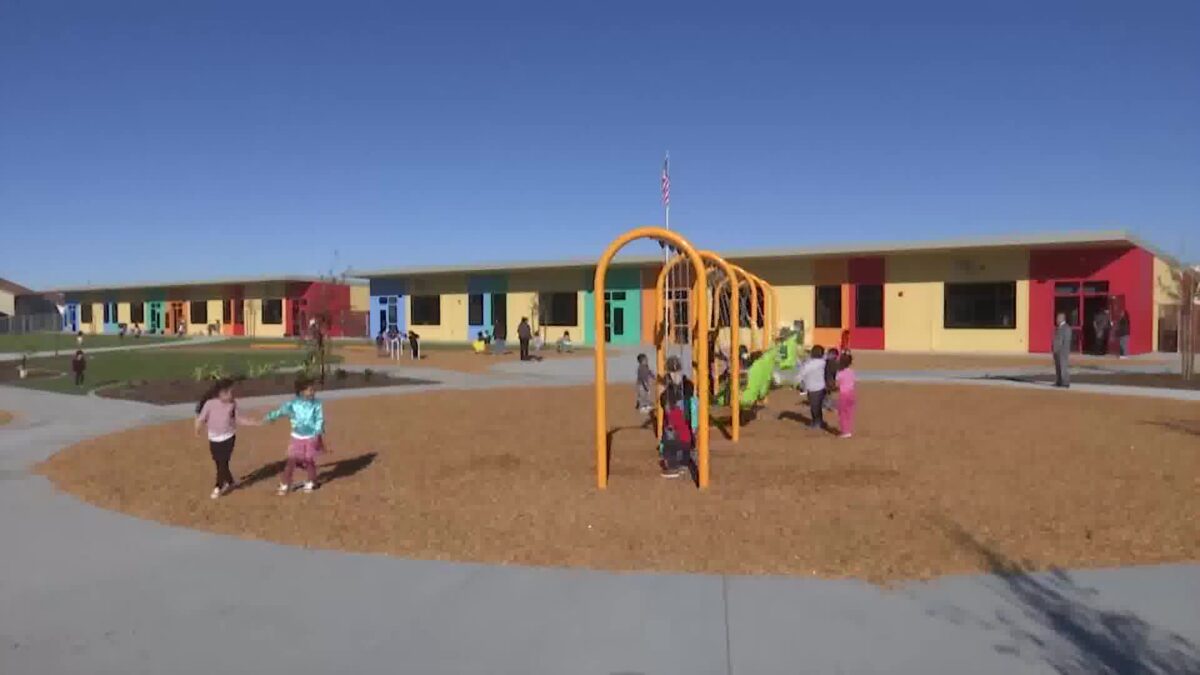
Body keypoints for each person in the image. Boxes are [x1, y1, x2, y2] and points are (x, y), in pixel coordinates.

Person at [194, 378, 258, 499]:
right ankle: (230, 481)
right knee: (218, 462)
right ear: (220, 393)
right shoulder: (210, 404)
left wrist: (251, 422)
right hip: (213, 438)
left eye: (232, 392)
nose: (231, 395)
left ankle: (218, 486)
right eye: (228, 393)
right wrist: (197, 429)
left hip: (229, 437)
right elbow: (201, 418)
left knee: (223, 461)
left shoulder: (232, 404)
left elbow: (237, 419)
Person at [264, 377, 329, 495]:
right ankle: (285, 483)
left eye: (313, 389)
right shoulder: (293, 403)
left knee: (309, 460)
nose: (313, 392)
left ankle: (311, 481)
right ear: (301, 391)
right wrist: (270, 417)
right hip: (297, 437)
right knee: (291, 460)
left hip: (311, 436)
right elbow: (281, 411)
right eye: (310, 390)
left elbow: (320, 418)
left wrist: (317, 432)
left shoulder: (317, 404)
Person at [658, 384, 693, 479]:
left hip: (679, 442)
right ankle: (683, 463)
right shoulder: (680, 410)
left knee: (669, 440)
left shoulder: (671, 414)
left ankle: (672, 467)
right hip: (687, 441)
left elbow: (671, 431)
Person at [798, 345, 827, 428]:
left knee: (814, 407)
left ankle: (816, 422)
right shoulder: (823, 362)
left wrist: (799, 383)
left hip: (813, 388)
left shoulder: (809, 364)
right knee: (817, 406)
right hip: (821, 387)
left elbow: (801, 374)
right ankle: (819, 421)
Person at [835, 353, 857, 439]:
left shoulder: (840, 373)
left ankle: (845, 431)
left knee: (843, 414)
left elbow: (837, 383)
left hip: (844, 394)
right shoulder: (851, 372)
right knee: (849, 413)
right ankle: (848, 429)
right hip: (851, 393)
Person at [1052, 312, 1072, 388]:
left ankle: (1065, 382)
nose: (1056, 319)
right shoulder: (1058, 327)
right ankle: (1059, 381)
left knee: (1063, 367)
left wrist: (1062, 350)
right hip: (1056, 351)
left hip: (1062, 351)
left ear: (1062, 318)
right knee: (1058, 367)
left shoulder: (1066, 328)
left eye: (1058, 318)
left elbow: (1066, 340)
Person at [823, 347, 840, 411]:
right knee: (827, 393)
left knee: (827, 393)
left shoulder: (829, 362)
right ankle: (827, 405)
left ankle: (827, 405)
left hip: (828, 380)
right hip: (828, 380)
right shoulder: (832, 362)